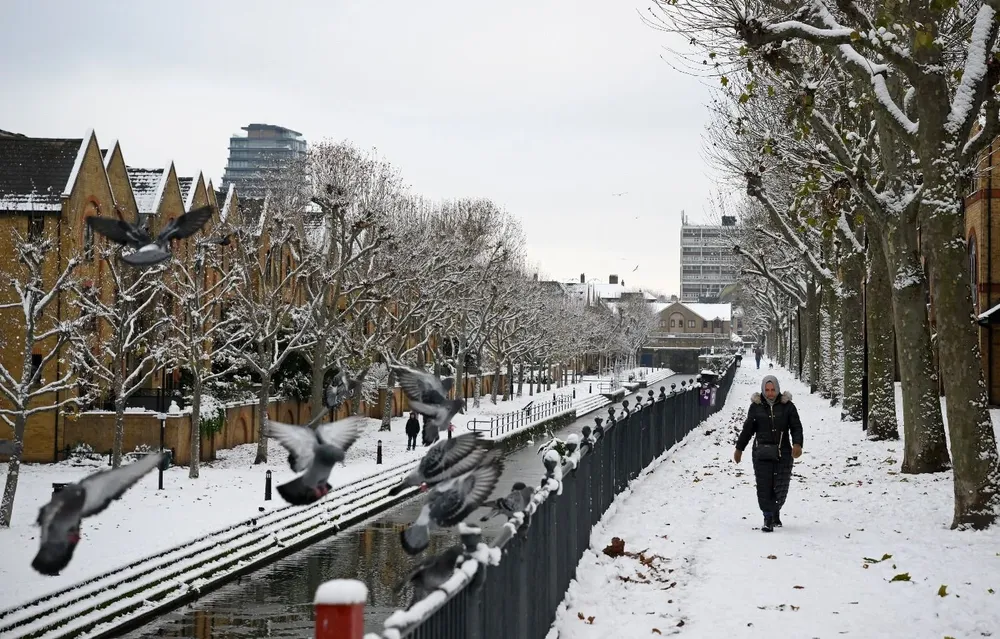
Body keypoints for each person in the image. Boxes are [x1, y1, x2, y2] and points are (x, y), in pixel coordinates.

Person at [733, 375, 803, 532]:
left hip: (783, 452)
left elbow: (796, 427)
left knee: (780, 485)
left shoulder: (788, 406)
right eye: (767, 390)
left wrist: (797, 444)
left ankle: (775, 511)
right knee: (764, 486)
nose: (770, 393)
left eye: (772, 390)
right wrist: (739, 448)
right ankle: (767, 517)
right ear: (763, 390)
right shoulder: (756, 407)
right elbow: (747, 430)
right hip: (761, 453)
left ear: (777, 389)